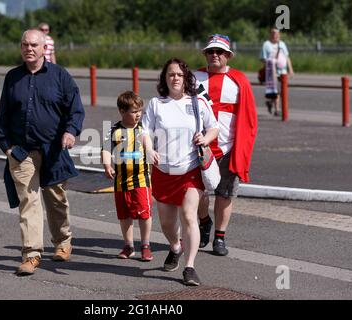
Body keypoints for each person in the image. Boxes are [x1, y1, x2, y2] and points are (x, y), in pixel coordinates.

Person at [0, 29, 85, 276]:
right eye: (24, 44)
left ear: (44, 47)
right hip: (22, 152)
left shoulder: (60, 76)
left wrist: (70, 132)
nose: (29, 49)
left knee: (56, 199)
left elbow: (75, 109)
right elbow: (2, 116)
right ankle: (31, 255)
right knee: (29, 201)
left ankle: (63, 241)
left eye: (34, 44)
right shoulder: (12, 77)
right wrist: (8, 147)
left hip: (54, 150)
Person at [142, 58, 219, 286]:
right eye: (170, 75)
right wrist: (148, 148)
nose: (175, 78)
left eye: (178, 74)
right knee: (167, 224)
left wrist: (205, 138)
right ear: (165, 79)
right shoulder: (157, 104)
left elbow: (213, 127)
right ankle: (175, 247)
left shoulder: (198, 103)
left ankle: (189, 267)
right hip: (163, 171)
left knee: (188, 216)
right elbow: (144, 131)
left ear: (186, 78)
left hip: (190, 169)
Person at [194, 34, 257, 256]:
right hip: (199, 148)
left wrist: (243, 150)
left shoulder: (239, 80)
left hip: (229, 148)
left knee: (225, 193)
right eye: (211, 51)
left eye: (219, 52)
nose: (214, 55)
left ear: (228, 56)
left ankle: (219, 238)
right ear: (205, 54)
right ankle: (203, 221)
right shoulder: (194, 78)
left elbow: (249, 119)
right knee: (197, 192)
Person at [101, 91, 153, 262]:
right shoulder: (114, 131)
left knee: (144, 213)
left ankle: (145, 245)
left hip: (141, 179)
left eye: (140, 111)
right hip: (120, 181)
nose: (138, 114)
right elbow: (107, 149)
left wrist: (151, 151)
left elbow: (147, 142)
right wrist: (107, 164)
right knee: (124, 215)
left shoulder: (142, 129)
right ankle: (128, 245)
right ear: (122, 111)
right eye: (133, 111)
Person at [260, 27, 294, 116]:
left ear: (279, 34)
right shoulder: (266, 44)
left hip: (283, 71)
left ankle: (270, 102)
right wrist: (271, 63)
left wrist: (290, 69)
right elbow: (262, 59)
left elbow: (287, 57)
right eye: (273, 33)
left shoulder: (282, 44)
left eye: (276, 33)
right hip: (271, 71)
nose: (275, 35)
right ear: (270, 34)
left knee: (280, 91)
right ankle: (277, 109)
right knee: (275, 91)